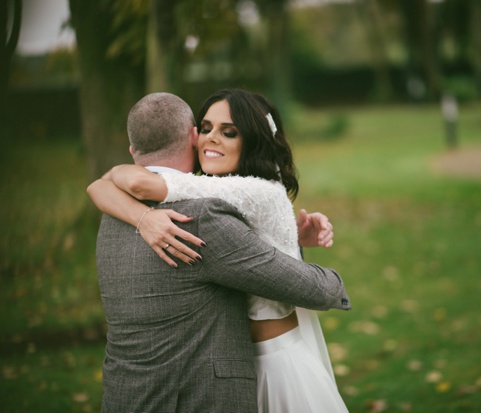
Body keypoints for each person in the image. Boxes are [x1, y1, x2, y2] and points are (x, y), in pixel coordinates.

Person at [87, 92, 351, 413]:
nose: (211, 137)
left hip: (127, 395)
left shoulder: (112, 213)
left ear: (132, 152)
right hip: (204, 393)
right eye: (207, 128)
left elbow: (108, 186)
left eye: (229, 131)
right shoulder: (204, 215)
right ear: (192, 135)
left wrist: (123, 190)